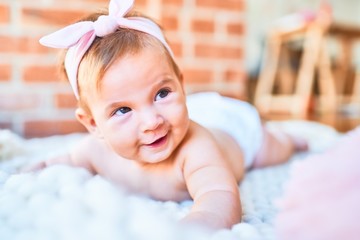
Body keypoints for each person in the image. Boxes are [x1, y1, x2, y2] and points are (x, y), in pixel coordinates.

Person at [27, 0, 308, 230]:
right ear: (93, 124)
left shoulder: (196, 149)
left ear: (181, 84)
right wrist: (36, 171)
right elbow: (65, 161)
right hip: (205, 114)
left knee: (271, 150)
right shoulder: (94, 151)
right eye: (123, 110)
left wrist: (191, 228)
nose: (152, 122)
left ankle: (287, 136)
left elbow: (219, 195)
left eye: (162, 93)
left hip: (235, 130)